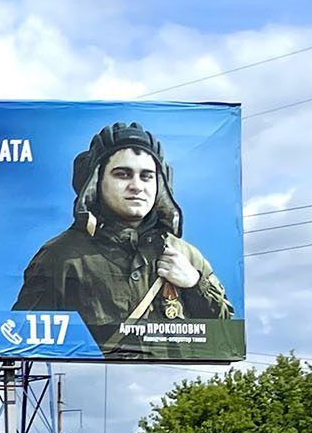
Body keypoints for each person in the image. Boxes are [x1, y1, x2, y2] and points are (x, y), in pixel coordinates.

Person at [15, 120, 232, 352]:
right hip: (86, 381)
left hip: (180, 383)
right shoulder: (60, 257)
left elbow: (228, 340)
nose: (136, 186)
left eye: (147, 176)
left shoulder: (187, 256)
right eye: (122, 174)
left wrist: (195, 284)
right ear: (96, 181)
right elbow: (21, 339)